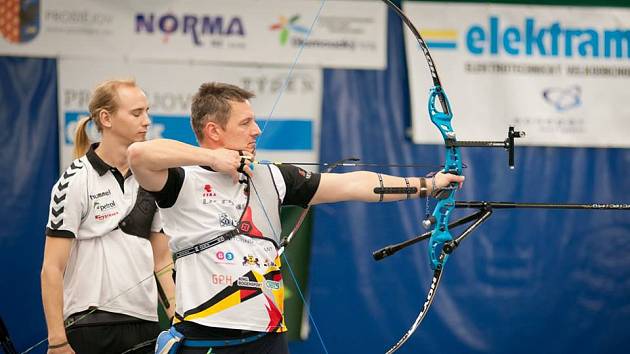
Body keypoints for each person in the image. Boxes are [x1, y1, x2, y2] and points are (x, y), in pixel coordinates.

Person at [128, 82, 464, 354]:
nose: (257, 130)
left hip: (269, 339)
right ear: (213, 130)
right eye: (245, 123)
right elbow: (139, 153)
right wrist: (213, 159)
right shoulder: (180, 181)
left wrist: (427, 185)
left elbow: (354, 183)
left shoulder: (272, 177)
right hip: (207, 339)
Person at [41, 79, 176, 354]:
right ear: (106, 118)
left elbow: (161, 258)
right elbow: (51, 268)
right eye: (137, 113)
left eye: (147, 111)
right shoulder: (75, 179)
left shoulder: (152, 178)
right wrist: (57, 341)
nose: (147, 121)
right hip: (90, 327)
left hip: (145, 324)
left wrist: (178, 317)